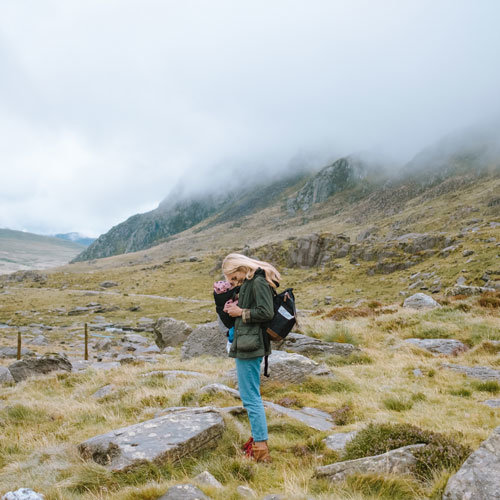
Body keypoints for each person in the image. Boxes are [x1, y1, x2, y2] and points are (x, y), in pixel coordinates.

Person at [222, 253, 280, 463]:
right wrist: (232, 307)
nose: (231, 280)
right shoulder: (249, 282)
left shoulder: (258, 281)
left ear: (240, 268)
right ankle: (258, 441)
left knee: (251, 398)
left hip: (251, 345)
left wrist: (240, 312)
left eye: (232, 275)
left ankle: (260, 450)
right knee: (250, 396)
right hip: (246, 342)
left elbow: (266, 313)